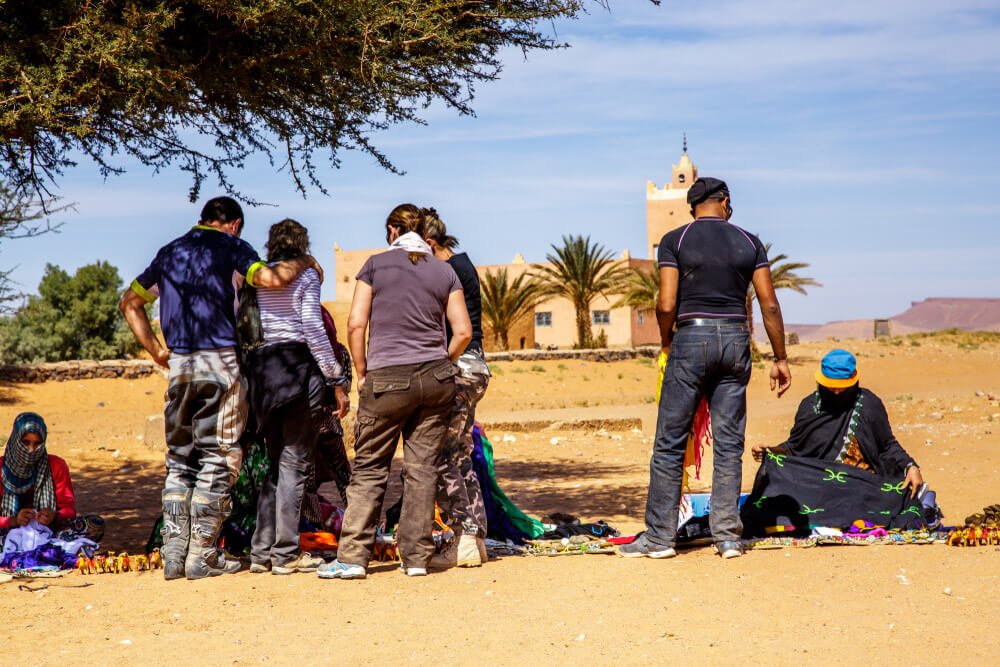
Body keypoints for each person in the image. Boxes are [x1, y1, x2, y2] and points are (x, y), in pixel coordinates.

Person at [119, 196, 322, 580]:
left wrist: (157, 351)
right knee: (220, 455)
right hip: (220, 364)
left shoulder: (169, 253)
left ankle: (173, 557)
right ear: (234, 224)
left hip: (179, 365)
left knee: (179, 459)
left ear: (203, 219)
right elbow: (269, 278)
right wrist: (305, 262)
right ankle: (204, 555)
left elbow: (130, 303)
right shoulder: (232, 247)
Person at [621, 176, 792, 561]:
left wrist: (668, 341)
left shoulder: (675, 240)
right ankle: (728, 537)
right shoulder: (750, 242)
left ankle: (660, 539)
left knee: (670, 441)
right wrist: (780, 358)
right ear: (725, 202)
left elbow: (666, 304)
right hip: (735, 340)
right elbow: (769, 305)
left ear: (693, 208)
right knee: (729, 443)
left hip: (691, 339)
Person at [318, 204, 472, 580]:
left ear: (392, 230)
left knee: (370, 466)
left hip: (387, 377)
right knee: (421, 469)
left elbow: (356, 324)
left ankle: (353, 557)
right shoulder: (445, 270)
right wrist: (442, 362)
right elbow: (464, 331)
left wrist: (361, 369)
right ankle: (416, 558)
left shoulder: (375, 265)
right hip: (435, 381)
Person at [245, 219, 350, 575]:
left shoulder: (257, 277)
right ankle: (286, 554)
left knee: (276, 465)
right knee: (295, 464)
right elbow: (312, 328)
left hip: (262, 373)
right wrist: (335, 377)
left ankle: (261, 552)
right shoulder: (307, 275)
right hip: (296, 369)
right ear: (303, 244)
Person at [421, 210, 491, 569]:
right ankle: (474, 539)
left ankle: (463, 535)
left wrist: (441, 365)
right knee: (460, 454)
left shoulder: (449, 271)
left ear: (431, 244)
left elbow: (459, 332)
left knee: (442, 455)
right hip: (475, 368)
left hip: (460, 369)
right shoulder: (463, 265)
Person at [752, 349, 923, 492]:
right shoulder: (810, 406)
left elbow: (887, 446)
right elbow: (794, 449)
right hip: (816, 483)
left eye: (842, 389)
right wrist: (770, 451)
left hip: (862, 483)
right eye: (830, 387)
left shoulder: (869, 405)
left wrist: (910, 466)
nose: (835, 393)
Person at [1, 413, 75, 534]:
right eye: (25, 443)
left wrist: (54, 516)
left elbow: (69, 509)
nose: (31, 450)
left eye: (37, 444)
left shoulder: (56, 465)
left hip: (47, 531)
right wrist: (14, 521)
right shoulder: (1, 468)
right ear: (15, 440)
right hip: (7, 532)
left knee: (93, 524)